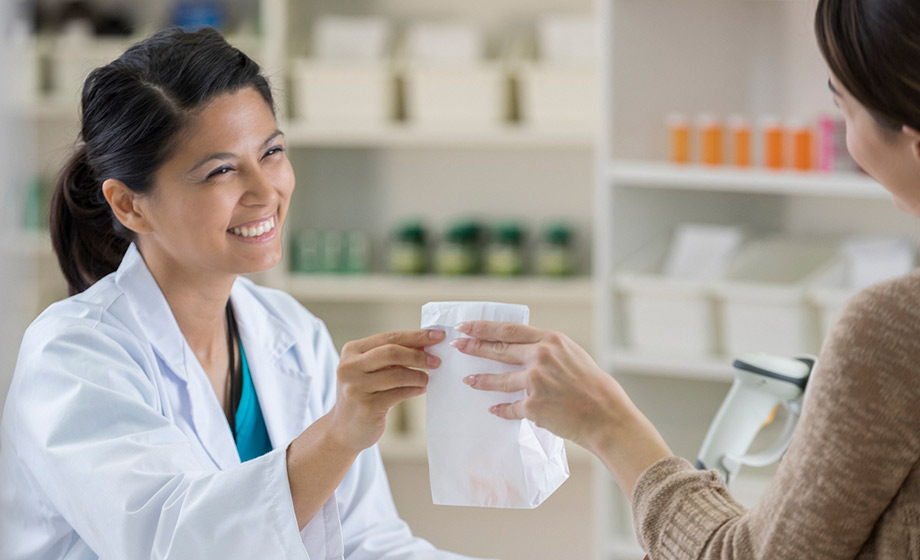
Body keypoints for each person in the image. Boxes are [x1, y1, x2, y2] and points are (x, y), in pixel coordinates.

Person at [453, 0, 920, 558]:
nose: (850, 142)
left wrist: (608, 423)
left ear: (913, 137)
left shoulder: (893, 328)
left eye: (845, 108)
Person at [0, 27, 482, 560]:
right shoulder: (71, 357)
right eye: (221, 170)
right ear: (130, 205)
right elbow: (176, 544)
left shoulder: (290, 332)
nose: (265, 190)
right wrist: (339, 433)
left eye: (271, 151)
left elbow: (367, 542)